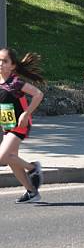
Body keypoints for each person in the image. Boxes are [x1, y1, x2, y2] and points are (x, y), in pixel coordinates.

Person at [0, 48, 44, 203]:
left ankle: (33, 168)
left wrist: (27, 113)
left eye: (5, 61)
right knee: (12, 160)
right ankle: (32, 192)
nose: (0, 64)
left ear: (12, 65)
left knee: (3, 157)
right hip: (8, 125)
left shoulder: (15, 82)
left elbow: (38, 94)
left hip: (21, 124)